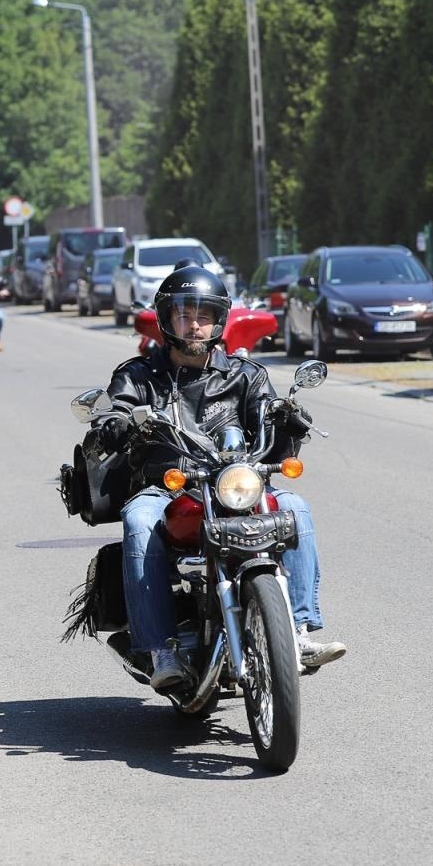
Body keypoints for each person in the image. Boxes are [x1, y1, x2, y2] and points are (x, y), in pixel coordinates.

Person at [95, 265, 345, 691]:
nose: (194, 324)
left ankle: (298, 633)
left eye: (204, 315)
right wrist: (118, 422)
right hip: (166, 486)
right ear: (166, 319)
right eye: (184, 314)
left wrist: (287, 421)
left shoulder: (246, 376)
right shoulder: (138, 376)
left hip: (234, 485)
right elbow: (114, 411)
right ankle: (161, 651)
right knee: (139, 521)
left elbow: (271, 432)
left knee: (295, 506)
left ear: (218, 320)